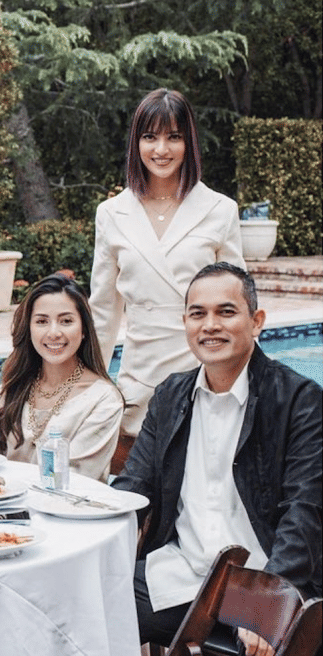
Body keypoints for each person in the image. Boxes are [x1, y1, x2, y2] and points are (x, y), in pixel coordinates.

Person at [113, 262, 321, 654]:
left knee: (259, 644)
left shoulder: (298, 400)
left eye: (226, 312)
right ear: (186, 324)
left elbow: (304, 511)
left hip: (259, 579)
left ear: (256, 321)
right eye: (198, 314)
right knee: (83, 604)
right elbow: (131, 490)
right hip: (180, 572)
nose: (210, 325)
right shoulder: (170, 395)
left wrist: (269, 602)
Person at [89, 89, 245, 447]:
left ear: (189, 142)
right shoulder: (111, 214)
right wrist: (89, 385)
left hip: (206, 376)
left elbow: (239, 305)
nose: (161, 149)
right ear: (136, 143)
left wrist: (248, 382)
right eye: (150, 137)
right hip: (138, 383)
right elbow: (103, 313)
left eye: (174, 137)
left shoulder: (220, 210)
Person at [0, 274, 122, 482]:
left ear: (84, 330)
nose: (54, 333)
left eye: (66, 321)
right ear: (29, 329)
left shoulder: (103, 400)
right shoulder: (11, 387)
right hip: (1, 500)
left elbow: (74, 479)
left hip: (68, 502)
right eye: (42, 321)